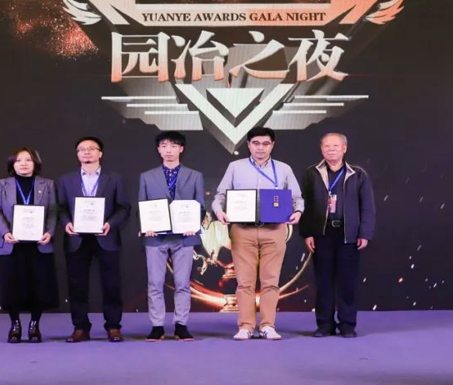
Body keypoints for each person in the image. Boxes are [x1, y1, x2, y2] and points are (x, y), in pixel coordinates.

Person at [212, 127, 304, 341]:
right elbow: (220, 195)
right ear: (248, 145)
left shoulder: (284, 169)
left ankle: (267, 325)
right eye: (256, 143)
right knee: (245, 282)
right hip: (243, 230)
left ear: (272, 145)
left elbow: (297, 198)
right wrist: (219, 211)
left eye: (265, 143)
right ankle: (245, 326)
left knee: (271, 281)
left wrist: (298, 211)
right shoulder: (235, 167)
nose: (260, 148)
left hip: (275, 230)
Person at [299, 133, 376, 338]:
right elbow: (304, 205)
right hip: (321, 234)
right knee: (323, 282)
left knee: (347, 282)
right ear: (321, 149)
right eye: (327, 146)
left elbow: (367, 206)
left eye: (335, 145)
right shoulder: (311, 173)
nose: (331, 149)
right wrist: (307, 232)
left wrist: (365, 233)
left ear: (344, 149)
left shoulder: (358, 174)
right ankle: (324, 325)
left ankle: (347, 324)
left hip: (348, 235)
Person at [56, 137, 131, 342]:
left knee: (111, 284)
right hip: (76, 239)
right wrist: (66, 223)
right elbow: (60, 207)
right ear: (77, 154)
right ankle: (80, 327)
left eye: (91, 148)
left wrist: (110, 224)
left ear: (100, 153)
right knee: (77, 285)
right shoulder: (66, 180)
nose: (86, 152)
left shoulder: (114, 179)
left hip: (106, 237)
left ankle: (113, 326)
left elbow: (123, 207)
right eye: (82, 149)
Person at [139, 131, 205, 342]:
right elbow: (143, 204)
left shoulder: (195, 175)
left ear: (181, 149)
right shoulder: (147, 176)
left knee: (182, 283)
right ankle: (157, 325)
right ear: (158, 149)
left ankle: (181, 325)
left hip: (184, 237)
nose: (168, 150)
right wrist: (146, 226)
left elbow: (200, 205)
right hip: (155, 236)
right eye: (164, 146)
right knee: (155, 283)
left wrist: (193, 225)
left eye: (173, 146)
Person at [0, 148, 59, 343]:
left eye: (28, 160)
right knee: (12, 286)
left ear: (35, 163)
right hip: (11, 244)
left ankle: (34, 325)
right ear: (12, 164)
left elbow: (53, 211)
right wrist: (5, 233)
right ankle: (15, 324)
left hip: (39, 244)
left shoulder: (48, 184)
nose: (24, 164)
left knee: (39, 286)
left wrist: (50, 232)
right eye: (19, 160)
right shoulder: (1, 184)